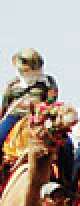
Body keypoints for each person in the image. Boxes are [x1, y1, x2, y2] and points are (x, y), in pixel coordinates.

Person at [0, 48, 72, 183]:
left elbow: (52, 101)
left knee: (66, 144)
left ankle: (66, 183)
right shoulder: (13, 84)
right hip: (15, 117)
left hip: (41, 117)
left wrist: (41, 110)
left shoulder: (48, 82)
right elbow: (5, 105)